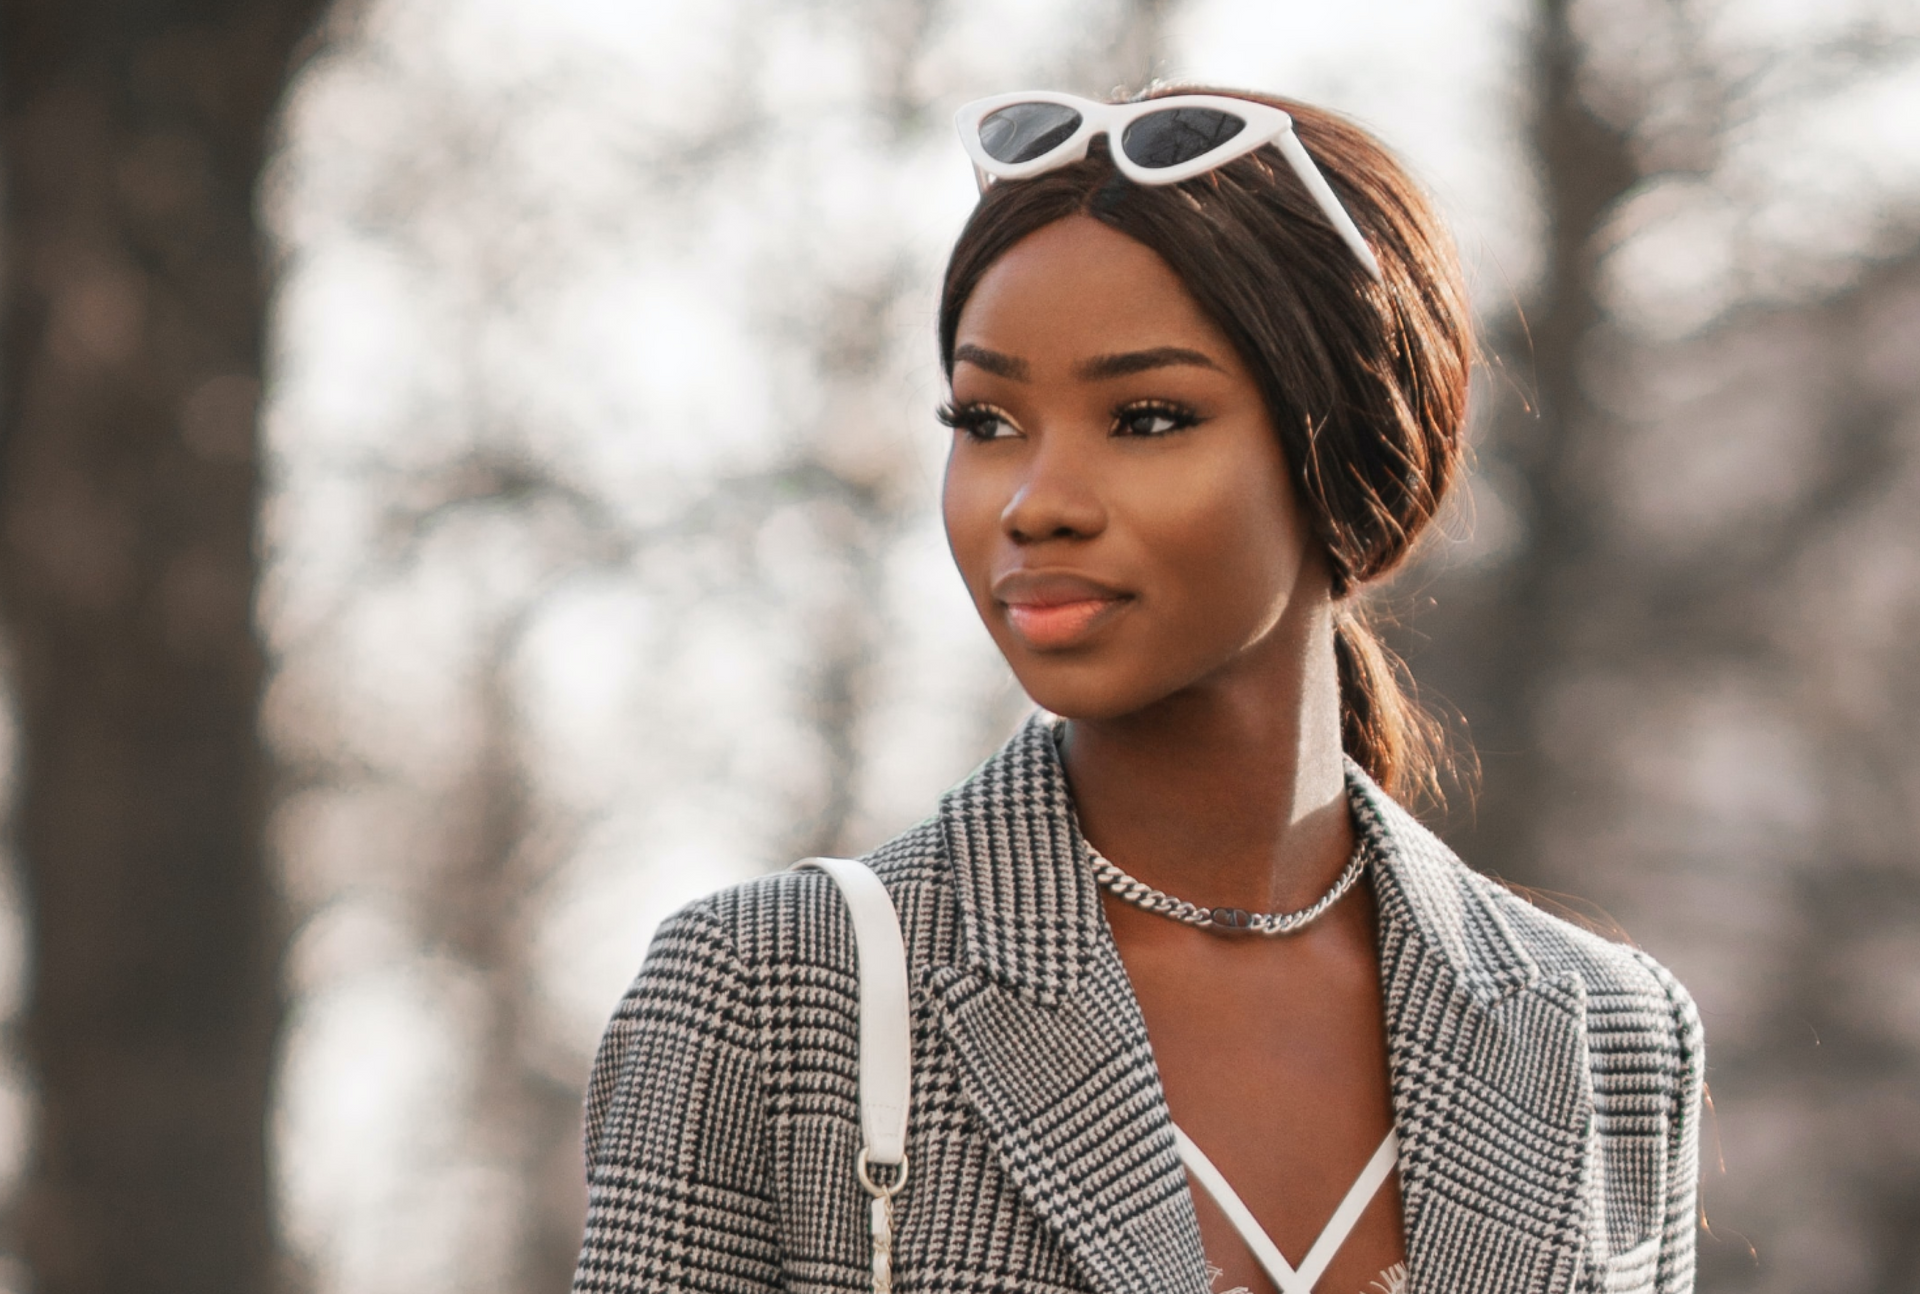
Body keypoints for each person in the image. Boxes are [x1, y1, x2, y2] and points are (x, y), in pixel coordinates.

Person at [571, 86, 1704, 1294]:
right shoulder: (780, 994)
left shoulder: (1607, 1034)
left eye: (1146, 417)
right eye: (987, 417)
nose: (1035, 498)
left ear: (1350, 448)